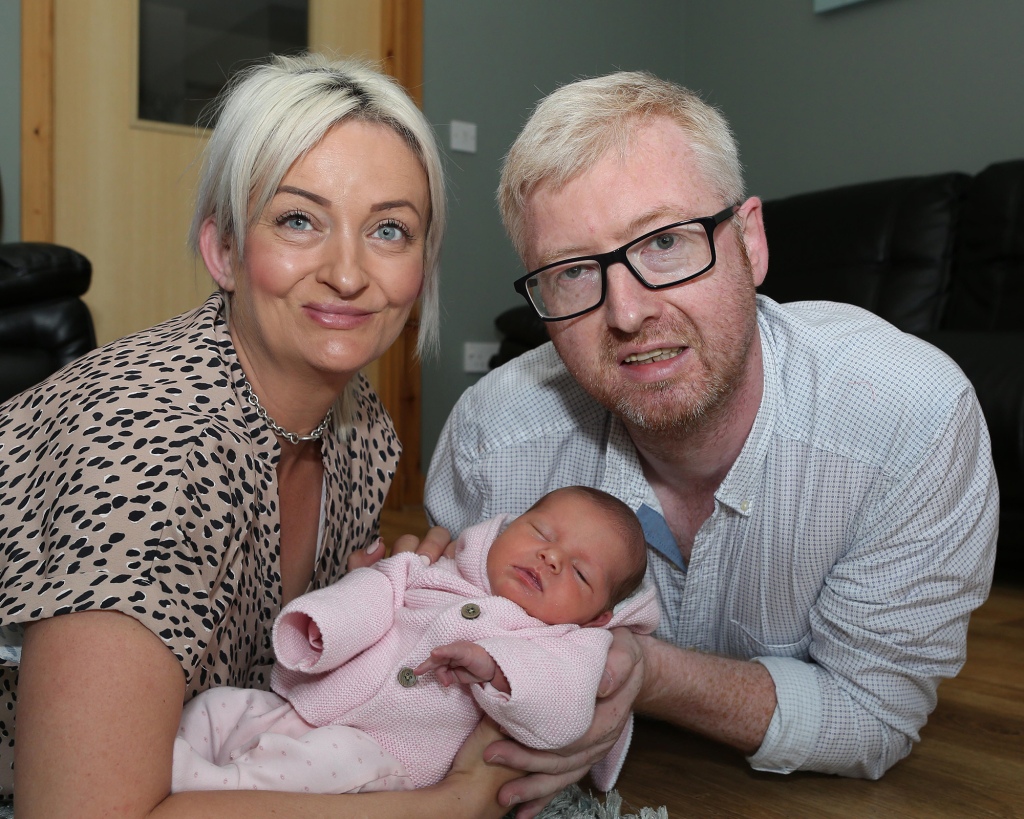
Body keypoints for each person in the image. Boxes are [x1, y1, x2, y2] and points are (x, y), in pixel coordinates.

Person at [425, 70, 999, 816]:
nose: (628, 313)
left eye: (665, 241)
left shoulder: (910, 420)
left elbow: (874, 713)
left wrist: (644, 670)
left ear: (750, 241)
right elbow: (434, 638)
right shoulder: (494, 438)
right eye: (572, 273)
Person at [0, 53, 517, 818]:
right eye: (299, 219)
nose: (348, 273)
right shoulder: (151, 446)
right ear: (226, 250)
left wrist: (394, 606)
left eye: (389, 229)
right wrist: (452, 801)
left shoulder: (359, 428)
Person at [172, 486, 658, 795]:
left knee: (312, 766)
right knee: (218, 706)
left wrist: (498, 669)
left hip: (385, 758)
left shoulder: (572, 644)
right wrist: (325, 626)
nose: (551, 556)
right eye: (540, 532)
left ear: (599, 617)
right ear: (506, 528)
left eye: (578, 571)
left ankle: (210, 790)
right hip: (306, 706)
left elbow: (565, 707)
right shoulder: (437, 567)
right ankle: (165, 752)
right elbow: (376, 589)